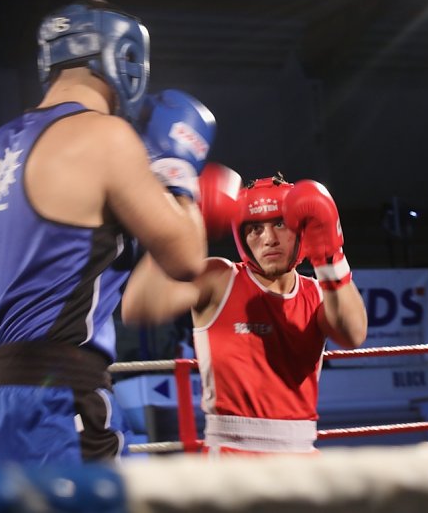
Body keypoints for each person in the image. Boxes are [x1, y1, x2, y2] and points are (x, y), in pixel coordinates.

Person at [0, 0, 217, 468]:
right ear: (123, 58)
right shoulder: (107, 137)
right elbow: (185, 258)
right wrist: (179, 168)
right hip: (58, 398)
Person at [121, 167, 368, 455]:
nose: (269, 239)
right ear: (242, 237)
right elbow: (139, 307)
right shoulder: (219, 279)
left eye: (280, 224)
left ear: (301, 229)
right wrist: (184, 227)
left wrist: (331, 255)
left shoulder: (317, 291)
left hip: (301, 453)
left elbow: (353, 335)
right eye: (255, 229)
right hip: (230, 451)